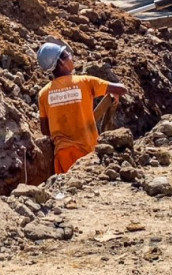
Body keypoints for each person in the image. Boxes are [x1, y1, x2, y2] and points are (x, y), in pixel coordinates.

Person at [36, 42, 127, 175]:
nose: (71, 58)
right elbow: (122, 89)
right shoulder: (85, 82)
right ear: (61, 62)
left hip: (63, 155)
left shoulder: (43, 94)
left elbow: (45, 130)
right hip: (88, 154)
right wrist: (112, 92)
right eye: (68, 55)